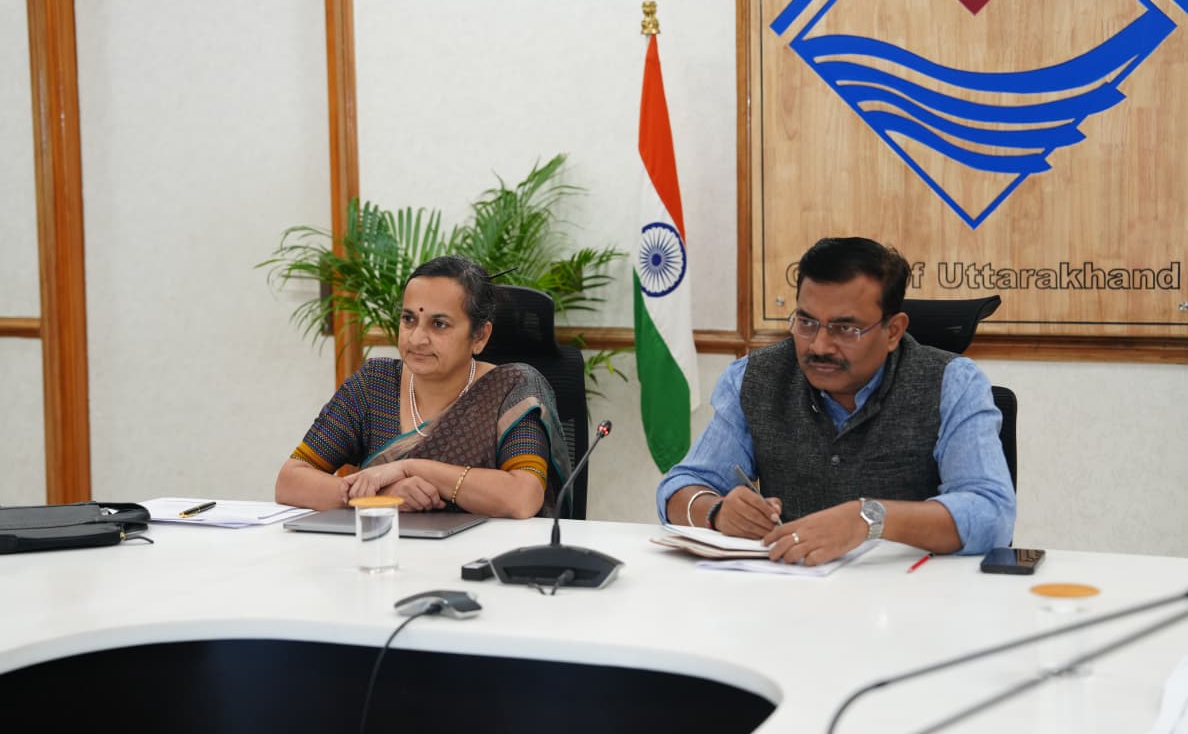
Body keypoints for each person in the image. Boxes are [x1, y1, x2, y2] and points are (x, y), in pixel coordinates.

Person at [657, 237, 1015, 564]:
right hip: (789, 591)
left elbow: (992, 513)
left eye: (845, 329)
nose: (819, 346)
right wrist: (716, 512)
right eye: (807, 323)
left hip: (908, 594)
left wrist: (869, 518)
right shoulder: (754, 377)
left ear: (893, 331)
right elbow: (680, 486)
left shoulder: (953, 383)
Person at [276, 255, 571, 518]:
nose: (416, 338)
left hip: (486, 556)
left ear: (480, 336)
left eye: (439, 324)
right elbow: (290, 482)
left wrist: (412, 468)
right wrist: (382, 497)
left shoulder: (512, 388)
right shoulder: (374, 385)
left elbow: (522, 498)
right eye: (409, 319)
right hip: (389, 550)